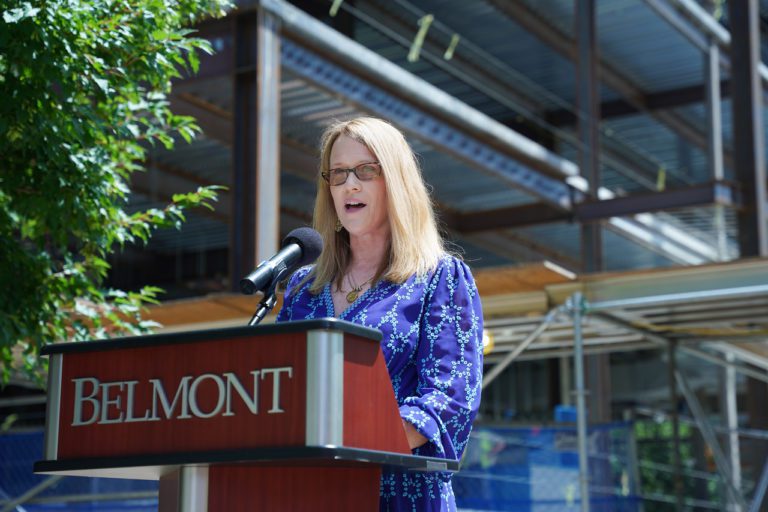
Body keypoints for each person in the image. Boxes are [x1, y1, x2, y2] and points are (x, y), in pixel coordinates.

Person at [276, 116, 483, 511]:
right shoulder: (303, 287)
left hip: (402, 497)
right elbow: (278, 391)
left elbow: (451, 397)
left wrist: (350, 441)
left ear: (397, 181)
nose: (349, 184)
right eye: (338, 174)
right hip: (309, 494)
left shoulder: (439, 277)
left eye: (366, 170)